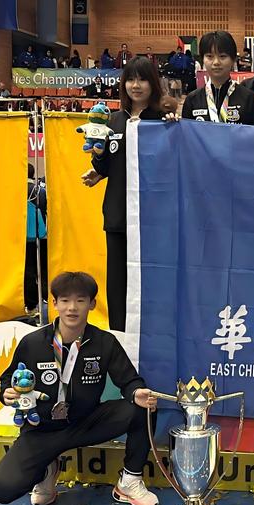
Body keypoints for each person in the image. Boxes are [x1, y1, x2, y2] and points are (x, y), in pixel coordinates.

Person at [0, 272, 160, 505]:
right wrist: (6, 393)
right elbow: (9, 379)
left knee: (143, 408)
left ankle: (129, 481)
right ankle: (47, 470)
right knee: (2, 490)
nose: (72, 308)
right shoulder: (33, 343)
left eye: (80, 300)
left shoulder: (104, 342)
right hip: (41, 430)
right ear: (54, 303)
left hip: (86, 422)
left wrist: (136, 392)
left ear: (92, 304)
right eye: (65, 300)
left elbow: (129, 380)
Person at [80, 57, 176, 331]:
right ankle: (120, 335)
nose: (136, 85)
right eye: (131, 79)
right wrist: (98, 162)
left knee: (153, 279)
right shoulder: (113, 122)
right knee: (118, 282)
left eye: (142, 79)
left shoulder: (162, 121)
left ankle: (156, 334)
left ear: (153, 84)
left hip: (154, 218)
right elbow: (105, 164)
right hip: (118, 216)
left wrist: (173, 124)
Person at [181, 31, 254, 125]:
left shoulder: (249, 98)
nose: (216, 62)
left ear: (233, 59)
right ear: (202, 59)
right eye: (210, 56)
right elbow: (185, 132)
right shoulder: (192, 99)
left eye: (222, 56)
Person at [24, 163, 48, 316]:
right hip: (40, 234)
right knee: (42, 269)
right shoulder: (40, 191)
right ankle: (44, 297)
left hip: (22, 238)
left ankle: (30, 304)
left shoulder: (14, 190)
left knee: (27, 270)